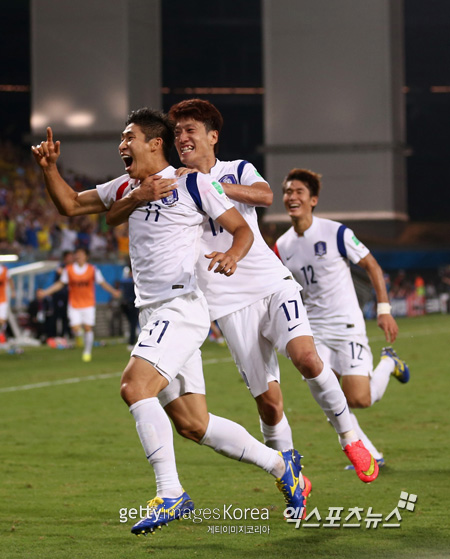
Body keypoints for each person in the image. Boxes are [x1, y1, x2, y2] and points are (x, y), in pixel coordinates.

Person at [31, 110, 308, 535]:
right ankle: (282, 468)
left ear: (154, 143)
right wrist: (50, 169)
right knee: (194, 424)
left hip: (180, 306)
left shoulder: (193, 183)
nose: (122, 145)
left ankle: (171, 492)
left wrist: (232, 256)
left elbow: (241, 229)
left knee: (133, 386)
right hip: (153, 312)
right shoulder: (124, 187)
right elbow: (70, 204)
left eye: (129, 138)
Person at [106, 99, 378, 484]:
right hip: (227, 303)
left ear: (212, 137)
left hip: (270, 284)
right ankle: (292, 478)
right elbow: (109, 209)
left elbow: (265, 196)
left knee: (306, 358)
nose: (182, 137)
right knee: (268, 404)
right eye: (177, 131)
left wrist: (211, 187)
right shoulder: (171, 183)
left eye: (190, 130)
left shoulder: (232, 171)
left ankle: (350, 436)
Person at [274, 168, 410, 467]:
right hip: (314, 331)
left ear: (313, 200)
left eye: (298, 192)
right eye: (287, 191)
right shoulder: (282, 246)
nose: (291, 197)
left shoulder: (335, 232)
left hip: (346, 325)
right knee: (328, 396)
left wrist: (384, 310)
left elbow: (372, 265)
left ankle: (389, 363)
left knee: (359, 399)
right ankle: (367, 453)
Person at [37, 247, 121, 361]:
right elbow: (60, 284)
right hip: (74, 304)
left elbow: (102, 283)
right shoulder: (69, 269)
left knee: (88, 328)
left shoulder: (93, 269)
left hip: (88, 304)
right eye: (77, 254)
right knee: (75, 328)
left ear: (86, 256)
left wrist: (113, 292)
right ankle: (79, 337)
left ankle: (87, 352)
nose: (78, 256)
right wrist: (46, 292)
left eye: (81, 254)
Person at [0, 264, 15, 344]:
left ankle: (2, 335)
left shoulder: (5, 270)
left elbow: (10, 280)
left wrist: (13, 291)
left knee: (3, 320)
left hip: (2, 299)